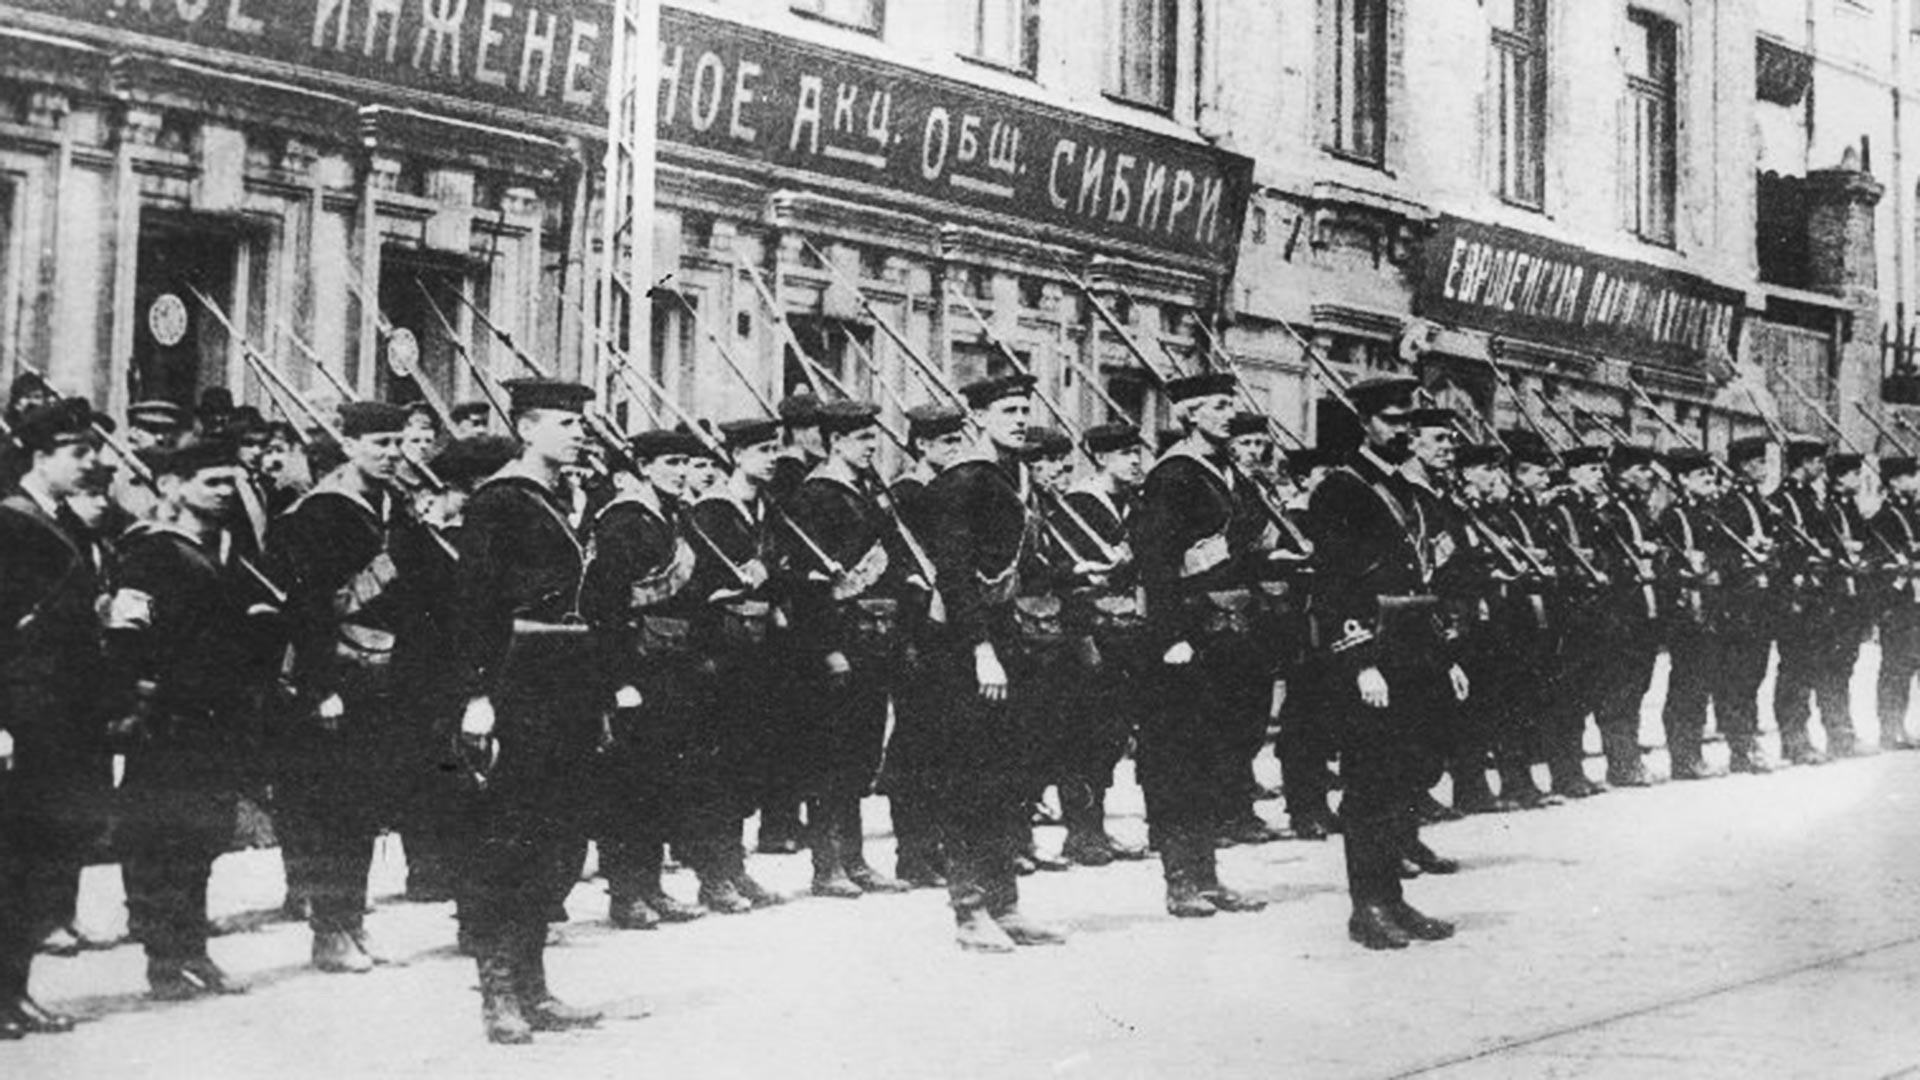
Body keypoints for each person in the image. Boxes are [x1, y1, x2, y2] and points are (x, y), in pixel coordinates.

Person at [445, 378, 605, 1044]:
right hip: (516, 690)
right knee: (507, 840)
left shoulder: (560, 499)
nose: (579, 433)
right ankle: (499, 993)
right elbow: (474, 604)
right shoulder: (501, 503)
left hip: (563, 688)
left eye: (581, 423)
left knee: (555, 837)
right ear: (528, 426)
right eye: (566, 423)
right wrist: (476, 694)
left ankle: (534, 985)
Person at [1304, 374, 1468, 950]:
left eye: (1409, 421)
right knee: (1371, 782)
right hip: (1373, 657)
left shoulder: (1412, 491)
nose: (1404, 430)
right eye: (1393, 421)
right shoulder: (1340, 490)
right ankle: (1367, 907)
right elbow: (1334, 584)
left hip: (1416, 653)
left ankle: (1393, 899)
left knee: (1404, 776)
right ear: (1366, 424)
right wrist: (1359, 662)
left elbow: (1426, 578)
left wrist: (1444, 654)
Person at [108, 435, 269, 1000]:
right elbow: (127, 630)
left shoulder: (230, 547)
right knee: (159, 836)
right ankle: (163, 959)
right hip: (166, 716)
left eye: (233, 481)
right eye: (214, 482)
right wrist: (137, 694)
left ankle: (193, 947)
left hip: (218, 715)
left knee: (203, 835)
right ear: (173, 487)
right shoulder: (150, 552)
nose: (227, 492)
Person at [914, 374, 1068, 950]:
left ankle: (1005, 904)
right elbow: (953, 575)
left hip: (1005, 637)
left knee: (1007, 776)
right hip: (965, 647)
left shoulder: (1006, 478)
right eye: (1008, 409)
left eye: (1025, 409)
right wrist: (980, 650)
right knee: (969, 777)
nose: (1020, 419)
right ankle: (969, 911)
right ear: (976, 417)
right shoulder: (963, 482)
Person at [272, 401, 427, 973]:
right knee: (332, 809)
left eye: (397, 443)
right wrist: (320, 687)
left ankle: (353, 923)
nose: (390, 455)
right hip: (336, 674)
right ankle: (328, 931)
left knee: (363, 806)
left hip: (382, 672)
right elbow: (309, 606)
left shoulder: (390, 504)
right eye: (379, 444)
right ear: (349, 445)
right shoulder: (322, 512)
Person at [0, 398, 120, 1036]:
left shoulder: (66, 523)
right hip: (25, 718)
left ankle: (14, 990)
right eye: (78, 452)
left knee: (45, 859)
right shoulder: (11, 524)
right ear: (39, 457)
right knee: (15, 859)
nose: (92, 462)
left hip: (68, 718)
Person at [1132, 373, 1272, 921]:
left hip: (1228, 633)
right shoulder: (1174, 476)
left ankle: (1208, 875)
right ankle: (1180, 880)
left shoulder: (1228, 472)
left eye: (1232, 403)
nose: (1230, 413)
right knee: (1178, 761)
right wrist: (1170, 637)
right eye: (1217, 406)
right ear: (1189, 415)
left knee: (1215, 756)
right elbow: (1157, 562)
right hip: (1186, 636)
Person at [582, 428, 719, 928]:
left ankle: (652, 886)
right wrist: (618, 678)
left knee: (662, 779)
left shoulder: (673, 517)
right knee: (629, 782)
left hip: (674, 664)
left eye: (686, 462)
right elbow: (604, 606)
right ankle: (626, 893)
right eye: (671, 462)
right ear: (642, 466)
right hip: (636, 666)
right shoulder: (622, 521)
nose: (682, 471)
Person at [782, 401, 913, 899]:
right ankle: (827, 863)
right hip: (837, 643)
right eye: (861, 439)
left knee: (860, 753)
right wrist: (827, 648)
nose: (871, 447)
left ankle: (854, 859)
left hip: (874, 640)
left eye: (872, 438)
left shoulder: (864, 493)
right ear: (836, 442)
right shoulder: (816, 495)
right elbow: (811, 584)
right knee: (830, 755)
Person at [686, 418, 791, 908]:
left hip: (762, 647)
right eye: (762, 450)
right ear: (737, 455)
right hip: (720, 648)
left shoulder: (768, 510)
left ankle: (735, 867)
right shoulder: (711, 511)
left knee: (748, 760)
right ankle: (714, 875)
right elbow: (699, 582)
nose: (772, 458)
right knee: (719, 765)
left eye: (775, 449)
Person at [1053, 422, 1152, 866]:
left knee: (1112, 733)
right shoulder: (1077, 505)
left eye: (1138, 453)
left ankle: (1096, 826)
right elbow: (1065, 577)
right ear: (1101, 459)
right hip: (1088, 633)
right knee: (1084, 733)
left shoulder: (1133, 504)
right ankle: (1082, 831)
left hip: (1127, 632)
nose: (1136, 461)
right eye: (1126, 454)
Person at [885, 403, 971, 887]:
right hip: (916, 633)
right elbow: (901, 568)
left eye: (959, 442)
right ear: (922, 446)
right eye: (947, 443)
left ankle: (934, 846)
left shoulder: (949, 491)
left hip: (948, 630)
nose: (955, 451)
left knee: (944, 744)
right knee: (917, 743)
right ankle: (912, 853)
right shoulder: (906, 495)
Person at [1872, 454, 1920, 751]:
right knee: (1896, 667)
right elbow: (1879, 564)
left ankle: (1901, 726)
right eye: (1910, 476)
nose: (1915, 481)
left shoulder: (1913, 513)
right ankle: (1891, 729)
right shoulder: (1883, 519)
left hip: (1916, 601)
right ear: (1894, 482)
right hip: (1899, 602)